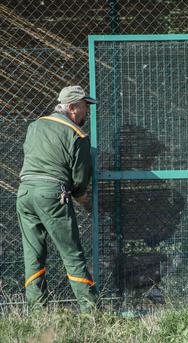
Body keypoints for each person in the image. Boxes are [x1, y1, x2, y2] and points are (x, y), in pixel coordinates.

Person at [16, 85, 97, 312]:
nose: (86, 112)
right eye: (84, 107)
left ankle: (38, 313)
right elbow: (79, 179)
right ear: (71, 107)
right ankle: (91, 312)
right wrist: (85, 201)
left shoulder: (35, 125)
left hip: (24, 193)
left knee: (33, 255)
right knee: (72, 255)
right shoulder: (77, 134)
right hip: (52, 195)